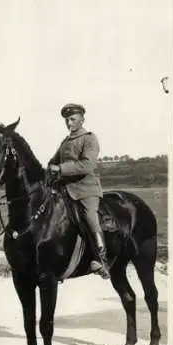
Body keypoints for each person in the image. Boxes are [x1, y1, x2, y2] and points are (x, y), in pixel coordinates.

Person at [47, 103, 110, 279]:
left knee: (90, 216)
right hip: (65, 189)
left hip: (86, 189)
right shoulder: (65, 142)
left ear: (82, 119)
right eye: (67, 120)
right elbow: (53, 161)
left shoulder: (90, 138)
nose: (69, 123)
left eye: (72, 119)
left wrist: (60, 168)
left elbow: (87, 165)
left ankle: (101, 259)